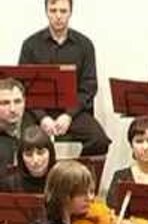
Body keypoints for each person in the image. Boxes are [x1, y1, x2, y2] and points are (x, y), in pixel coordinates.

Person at [18, 0, 111, 156]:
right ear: (46, 11)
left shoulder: (85, 45)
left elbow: (88, 87)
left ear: (70, 12)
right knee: (25, 142)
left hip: (73, 111)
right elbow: (23, 87)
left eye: (63, 11)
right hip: (37, 111)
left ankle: (75, 172)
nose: (58, 16)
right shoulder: (30, 45)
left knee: (99, 140)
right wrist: (42, 117)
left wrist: (68, 115)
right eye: (53, 10)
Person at [0, 126, 57, 193]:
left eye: (41, 153)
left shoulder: (61, 181)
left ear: (50, 153)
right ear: (21, 157)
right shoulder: (8, 185)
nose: (35, 160)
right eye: (28, 154)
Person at [0, 78, 36, 169]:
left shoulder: (34, 126)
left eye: (17, 101)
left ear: (24, 102)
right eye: (5, 103)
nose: (13, 109)